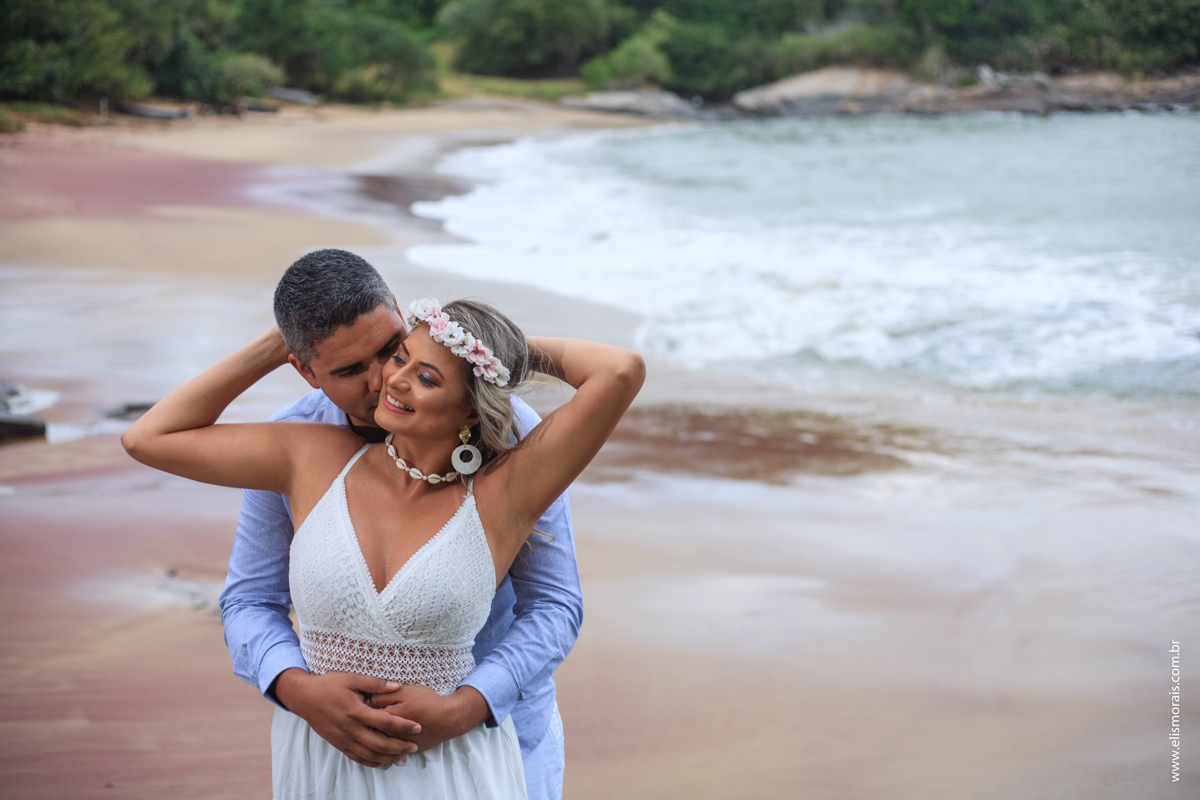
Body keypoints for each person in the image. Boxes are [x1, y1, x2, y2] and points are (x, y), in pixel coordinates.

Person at [121, 284, 645, 797]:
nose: (388, 381)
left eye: (426, 376)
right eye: (401, 358)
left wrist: (485, 343)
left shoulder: (511, 483)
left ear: (470, 410)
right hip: (320, 755)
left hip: (458, 756)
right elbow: (148, 439)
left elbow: (619, 371)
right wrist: (276, 346)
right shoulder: (307, 451)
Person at [215, 250, 586, 798]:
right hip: (335, 752)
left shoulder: (508, 433)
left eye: (390, 349)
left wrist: (469, 704)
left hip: (493, 740)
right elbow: (249, 600)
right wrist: (295, 688)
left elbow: (555, 603)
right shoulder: (291, 443)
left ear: (401, 315)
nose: (382, 381)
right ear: (303, 368)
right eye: (346, 369)